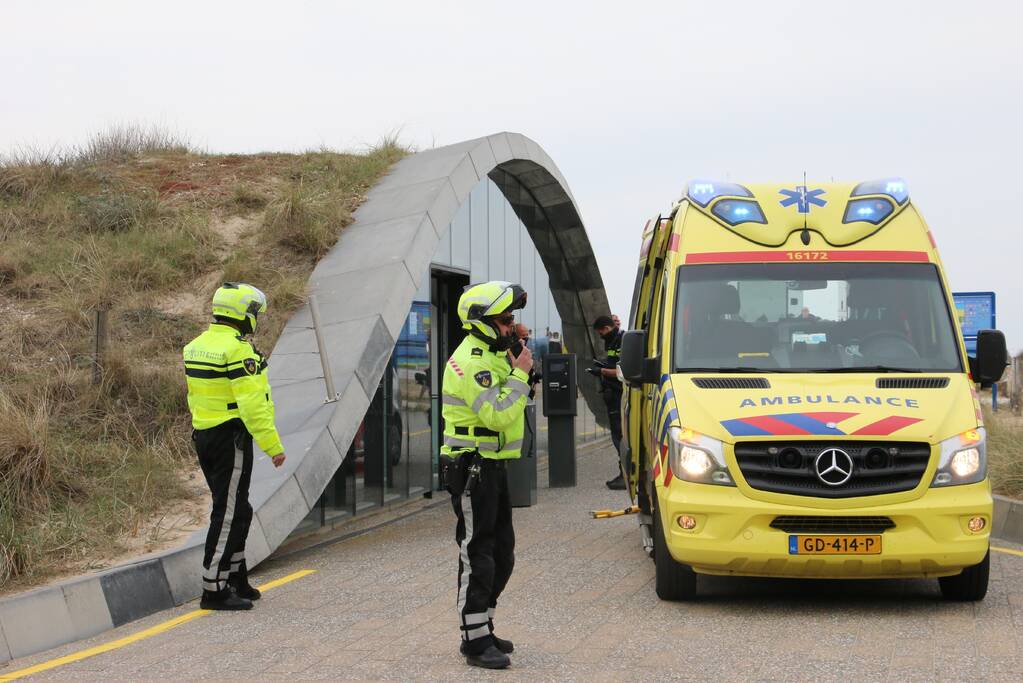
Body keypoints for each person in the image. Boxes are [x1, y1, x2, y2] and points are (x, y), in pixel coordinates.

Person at [440, 281, 532, 670]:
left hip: (491, 466)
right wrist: (522, 376)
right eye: (506, 320)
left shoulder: (492, 355)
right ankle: (473, 639)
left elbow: (507, 389)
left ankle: (484, 623)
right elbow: (496, 413)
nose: (513, 326)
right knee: (478, 552)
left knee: (502, 553)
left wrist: (516, 358)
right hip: (471, 467)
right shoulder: (472, 361)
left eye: (513, 319)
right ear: (482, 322)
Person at [183, 283, 286, 611]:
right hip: (231, 439)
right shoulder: (240, 352)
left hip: (205, 436)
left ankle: (235, 577)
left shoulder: (196, 346)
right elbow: (254, 407)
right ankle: (213, 589)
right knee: (228, 514)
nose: (256, 318)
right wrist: (273, 447)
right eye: (254, 312)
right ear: (241, 314)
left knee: (239, 509)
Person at [587, 315, 625, 490]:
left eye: (601, 331)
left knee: (620, 436)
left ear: (606, 328)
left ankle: (625, 475)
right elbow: (613, 363)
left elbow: (621, 371)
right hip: (613, 395)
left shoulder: (621, 341)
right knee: (617, 435)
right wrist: (602, 365)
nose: (601, 335)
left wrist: (601, 371)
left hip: (619, 395)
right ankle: (623, 473)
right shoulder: (612, 341)